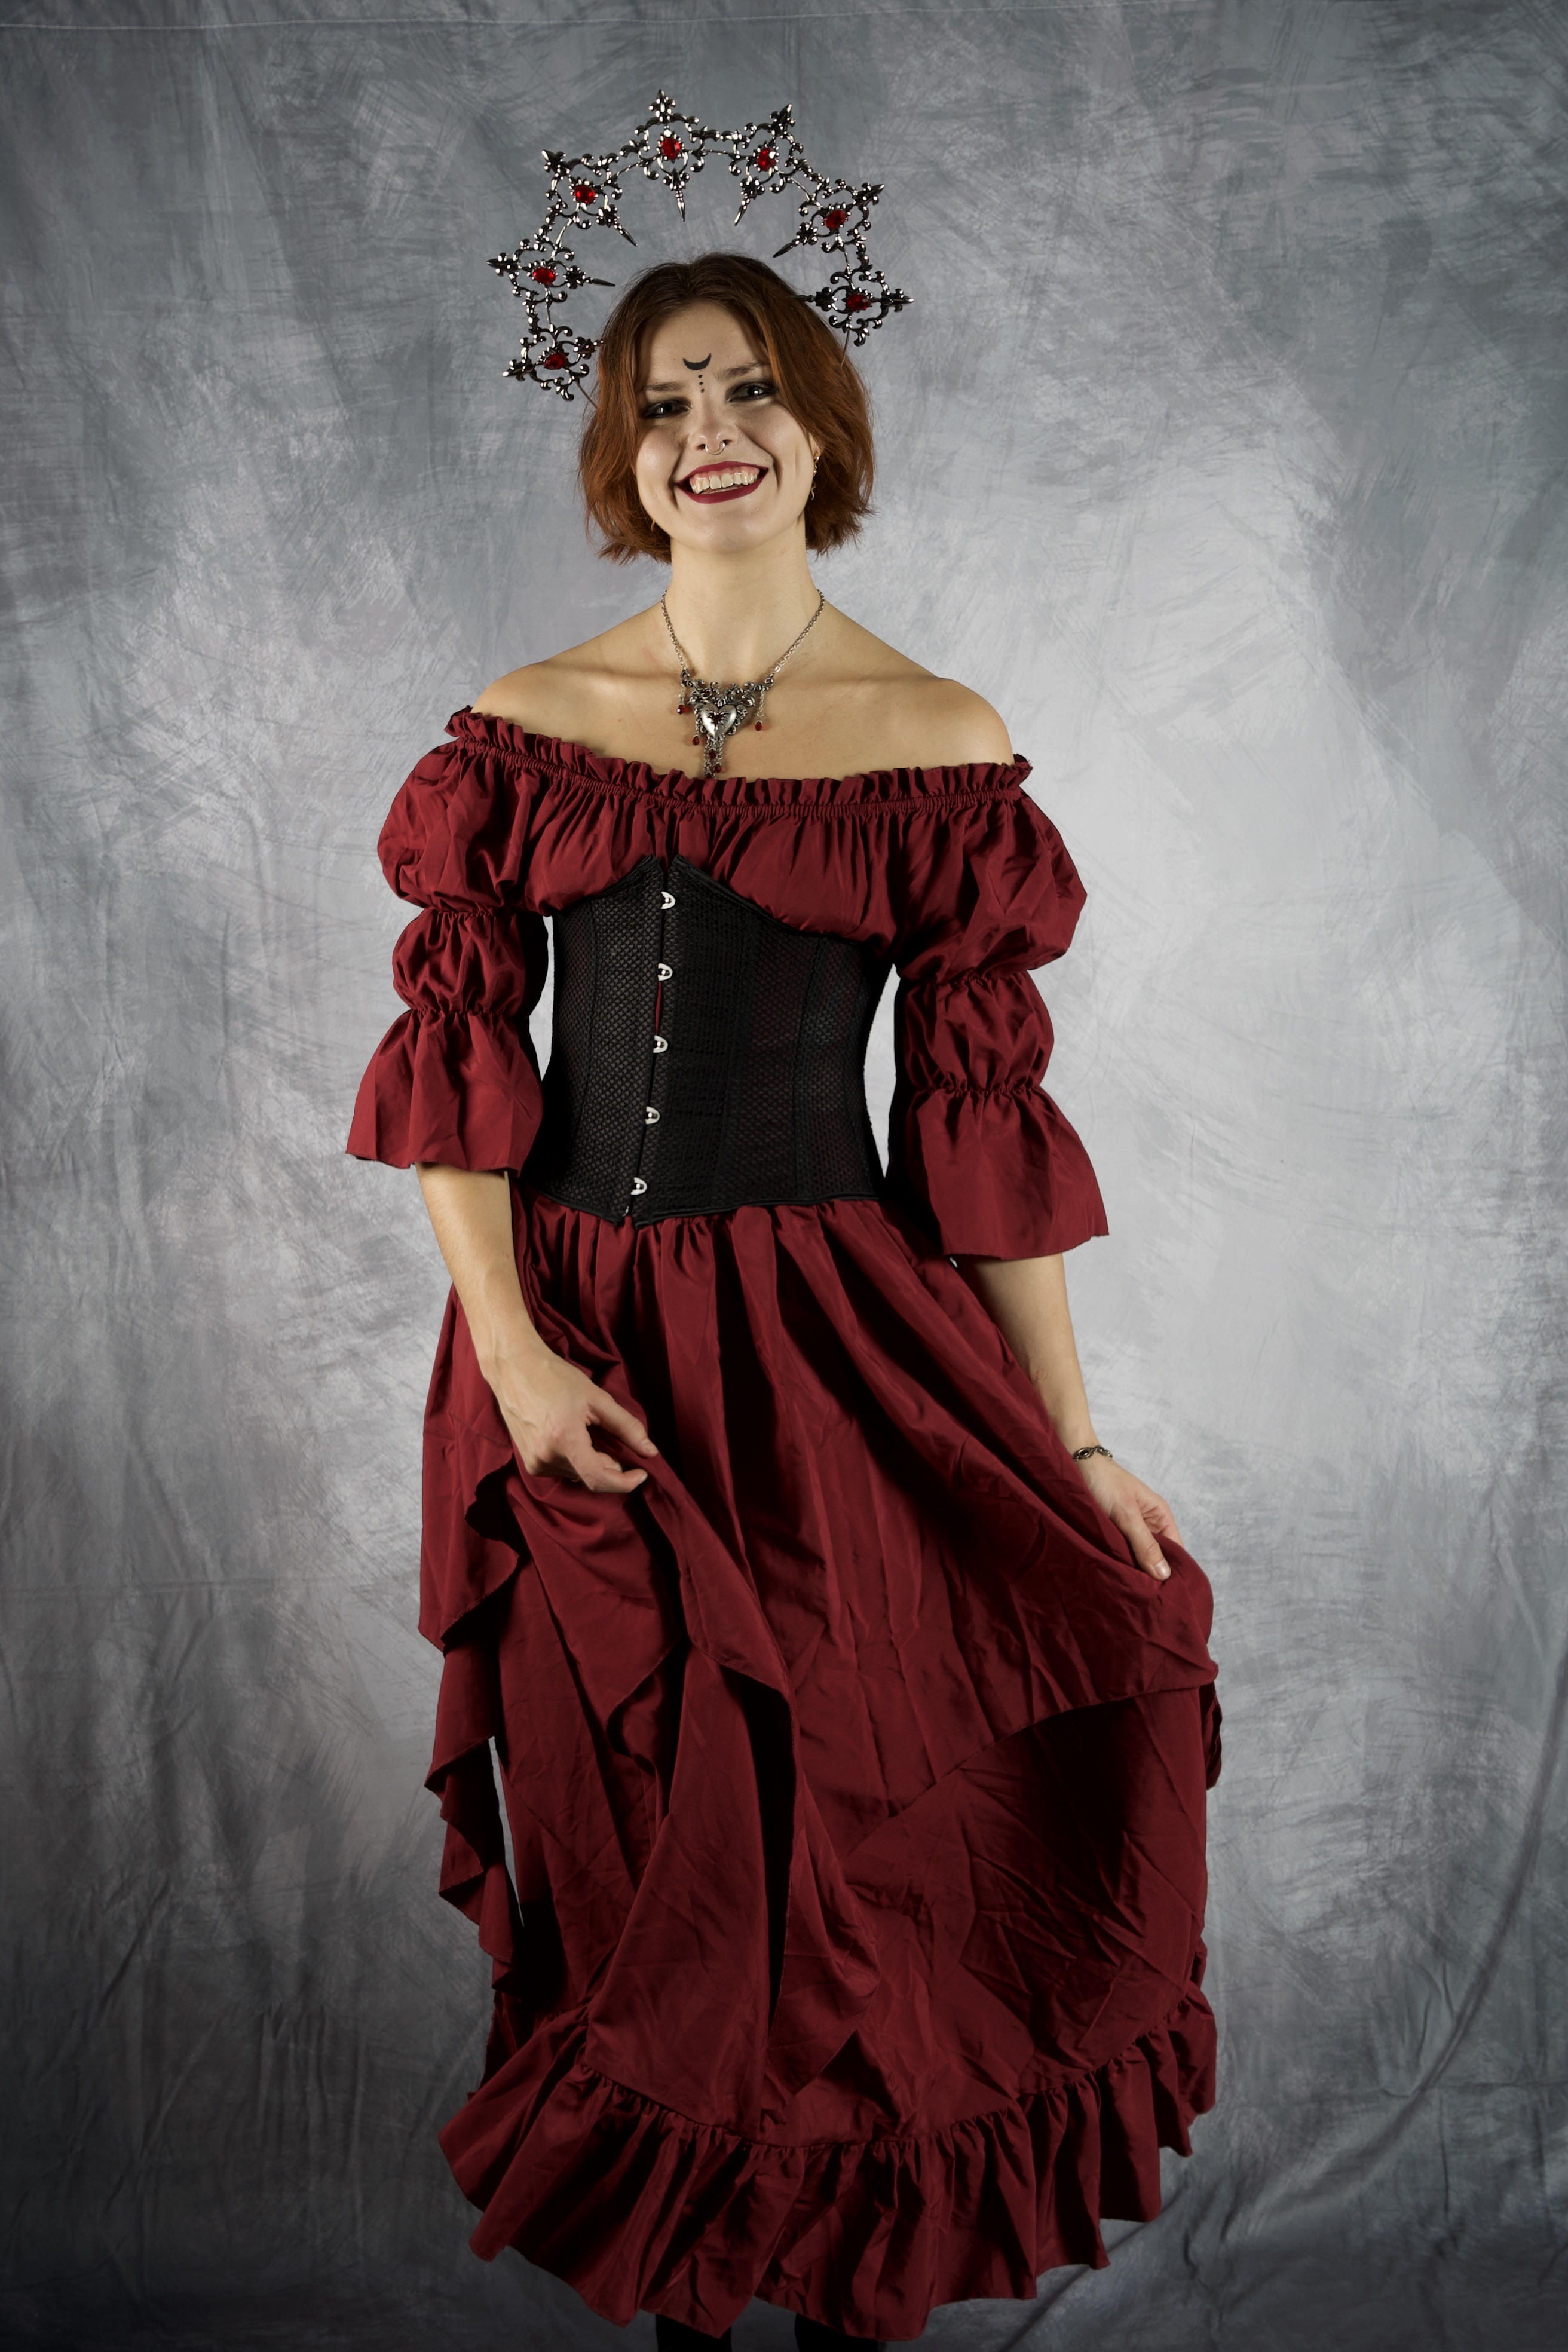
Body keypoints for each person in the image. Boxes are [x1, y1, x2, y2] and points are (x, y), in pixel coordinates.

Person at [348, 252, 1220, 2351]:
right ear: (620, 455)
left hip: (836, 1357)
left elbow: (979, 1128)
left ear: (821, 426)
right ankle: (690, 2310)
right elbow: (460, 1081)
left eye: (747, 389)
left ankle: (842, 2300)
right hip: (579, 1359)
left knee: (855, 1841)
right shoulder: (524, 730)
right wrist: (517, 1358)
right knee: (642, 1852)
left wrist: (1074, 1438)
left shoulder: (934, 741)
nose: (708, 434)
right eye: (662, 404)